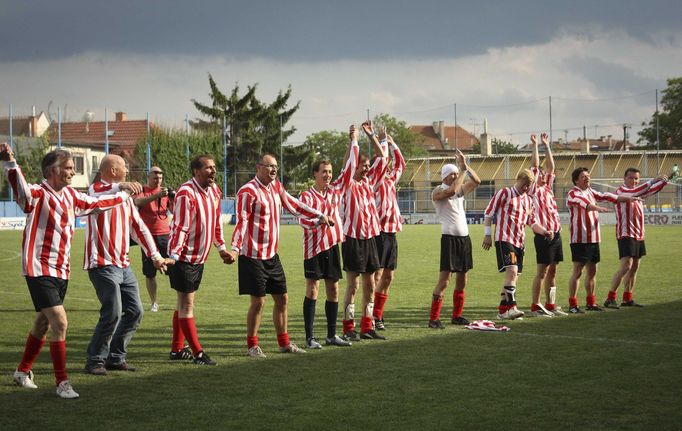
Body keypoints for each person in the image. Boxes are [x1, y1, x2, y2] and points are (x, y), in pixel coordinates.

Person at [2, 143, 131, 399]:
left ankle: (22, 371)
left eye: (73, 168)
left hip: (61, 270)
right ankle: (62, 382)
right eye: (69, 168)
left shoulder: (71, 196)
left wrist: (124, 193)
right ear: (53, 170)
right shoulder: (38, 194)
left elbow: (98, 203)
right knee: (60, 322)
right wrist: (10, 163)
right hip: (39, 268)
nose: (73, 172)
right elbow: (22, 192)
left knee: (43, 324)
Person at [226, 154, 332, 359]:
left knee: (282, 299)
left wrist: (318, 215)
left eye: (276, 166)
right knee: (258, 302)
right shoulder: (247, 191)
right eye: (269, 166)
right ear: (258, 167)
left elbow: (295, 205)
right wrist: (235, 249)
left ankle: (284, 343)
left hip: (272, 256)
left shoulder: (276, 186)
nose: (274, 170)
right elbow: (241, 222)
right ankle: (252, 345)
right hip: (252, 256)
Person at [84, 155, 170, 376]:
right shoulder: (96, 191)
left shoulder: (126, 198)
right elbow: (96, 197)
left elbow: (139, 228)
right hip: (102, 263)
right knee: (112, 312)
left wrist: (155, 255)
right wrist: (120, 187)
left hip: (123, 265)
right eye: (124, 167)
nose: (128, 170)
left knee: (135, 311)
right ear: (113, 170)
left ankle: (115, 358)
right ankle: (95, 360)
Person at [297, 126, 358, 348]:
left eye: (330, 172)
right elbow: (302, 219)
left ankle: (332, 335)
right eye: (324, 171)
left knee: (333, 288)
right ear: (315, 173)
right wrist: (319, 220)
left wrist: (353, 141)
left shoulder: (335, 191)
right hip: (313, 248)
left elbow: (350, 169)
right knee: (313, 289)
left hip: (332, 246)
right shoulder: (306, 195)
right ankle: (309, 338)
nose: (328, 175)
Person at [167, 154, 230, 365]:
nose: (213, 171)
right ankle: (198, 353)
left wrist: (221, 247)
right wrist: (174, 256)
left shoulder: (214, 191)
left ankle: (177, 349)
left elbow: (216, 223)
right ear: (196, 171)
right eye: (208, 168)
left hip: (199, 258)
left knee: (182, 303)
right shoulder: (186, 193)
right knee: (187, 304)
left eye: (214, 167)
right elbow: (180, 227)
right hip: (184, 257)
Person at [483, 169, 554, 320]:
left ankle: (503, 311)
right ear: (518, 179)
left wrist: (544, 231)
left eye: (529, 185)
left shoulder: (528, 200)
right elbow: (489, 213)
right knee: (512, 272)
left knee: (513, 276)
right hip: (504, 238)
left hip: (519, 242)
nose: (526, 187)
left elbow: (532, 222)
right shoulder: (504, 193)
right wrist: (487, 235)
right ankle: (512, 307)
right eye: (525, 184)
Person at [340, 121, 388, 341]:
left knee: (370, 283)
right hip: (352, 238)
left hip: (370, 239)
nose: (367, 168)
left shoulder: (370, 183)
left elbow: (383, 157)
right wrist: (353, 141)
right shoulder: (348, 183)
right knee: (354, 284)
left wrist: (371, 136)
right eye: (363, 165)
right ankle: (348, 327)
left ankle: (367, 326)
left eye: (368, 165)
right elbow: (348, 163)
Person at [566, 167, 636, 313]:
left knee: (592, 271)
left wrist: (628, 198)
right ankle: (573, 304)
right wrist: (596, 208)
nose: (587, 178)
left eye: (588, 176)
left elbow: (608, 196)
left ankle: (591, 302)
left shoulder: (591, 191)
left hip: (594, 238)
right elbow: (583, 204)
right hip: (580, 239)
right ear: (576, 180)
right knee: (577, 271)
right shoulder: (573, 193)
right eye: (583, 176)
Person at [428, 149, 481, 329]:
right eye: (453, 174)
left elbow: (477, 181)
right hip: (449, 239)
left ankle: (456, 316)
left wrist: (466, 167)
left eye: (457, 174)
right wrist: (462, 171)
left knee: (462, 279)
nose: (456, 176)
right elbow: (451, 191)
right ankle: (433, 318)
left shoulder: (458, 188)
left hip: (464, 239)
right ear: (445, 176)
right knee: (444, 280)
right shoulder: (438, 191)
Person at [604, 168, 668, 308]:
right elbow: (635, 192)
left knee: (635, 267)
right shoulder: (621, 191)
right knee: (625, 266)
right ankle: (610, 297)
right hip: (626, 233)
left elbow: (651, 190)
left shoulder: (638, 191)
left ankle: (627, 298)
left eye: (637, 179)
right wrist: (652, 181)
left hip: (639, 234)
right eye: (631, 178)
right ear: (624, 178)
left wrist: (664, 181)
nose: (634, 181)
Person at [528, 133, 567, 317]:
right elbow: (536, 166)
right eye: (541, 174)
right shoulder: (534, 189)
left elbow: (550, 167)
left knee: (553, 272)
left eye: (544, 174)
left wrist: (547, 145)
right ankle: (535, 306)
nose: (543, 175)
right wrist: (536, 146)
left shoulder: (548, 188)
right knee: (542, 272)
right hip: (544, 235)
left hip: (556, 235)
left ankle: (551, 304)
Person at [371, 131, 406, 331]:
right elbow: (384, 159)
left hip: (391, 233)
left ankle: (378, 314)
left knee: (388, 277)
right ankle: (372, 316)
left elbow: (400, 164)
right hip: (379, 232)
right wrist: (382, 141)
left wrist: (393, 144)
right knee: (377, 276)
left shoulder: (391, 179)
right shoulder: (373, 181)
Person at [134, 166, 174, 312]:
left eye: (161, 178)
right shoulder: (142, 191)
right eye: (155, 177)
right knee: (150, 273)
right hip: (147, 236)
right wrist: (155, 196)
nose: (158, 180)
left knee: (173, 268)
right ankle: (154, 303)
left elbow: (173, 210)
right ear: (148, 177)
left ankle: (180, 300)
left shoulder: (165, 192)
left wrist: (172, 198)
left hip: (165, 234)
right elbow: (137, 203)